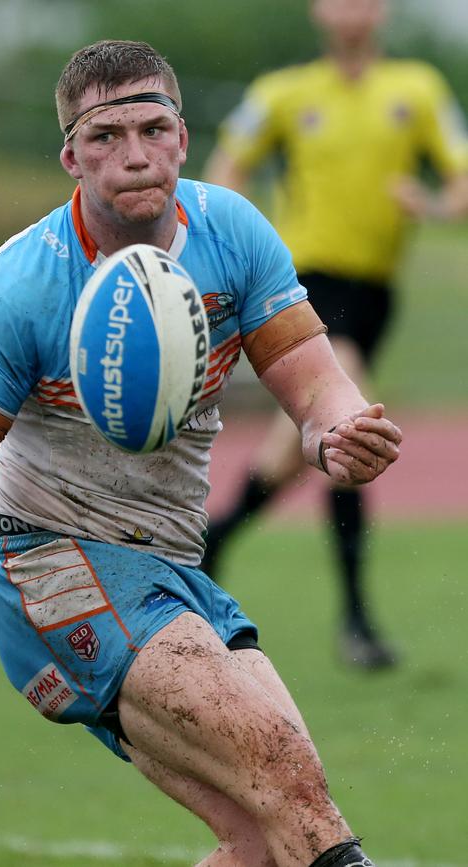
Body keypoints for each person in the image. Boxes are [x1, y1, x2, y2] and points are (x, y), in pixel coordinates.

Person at [0, 40, 402, 867]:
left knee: (267, 840)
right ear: (71, 155)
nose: (133, 153)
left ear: (183, 137)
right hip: (54, 570)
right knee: (292, 787)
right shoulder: (21, 286)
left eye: (152, 126)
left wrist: (340, 434)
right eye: (105, 136)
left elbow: (316, 385)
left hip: (174, 574)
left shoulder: (233, 233)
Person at [202, 0, 468, 669]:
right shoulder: (283, 94)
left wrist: (434, 204)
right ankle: (357, 623)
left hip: (376, 295)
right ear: (319, 11)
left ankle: (210, 542)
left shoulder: (419, 88)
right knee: (349, 426)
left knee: (292, 454)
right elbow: (222, 169)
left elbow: (463, 179)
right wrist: (242, 244)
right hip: (304, 284)